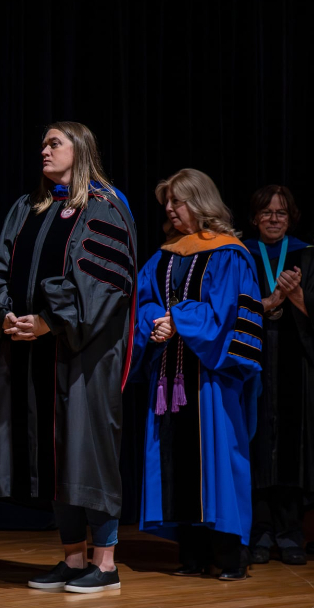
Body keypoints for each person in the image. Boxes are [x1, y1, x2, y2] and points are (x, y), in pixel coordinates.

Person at [0, 121, 137, 594]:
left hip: (84, 355)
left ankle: (105, 565)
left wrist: (49, 320)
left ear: (80, 149)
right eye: (42, 142)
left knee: (88, 452)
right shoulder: (28, 208)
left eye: (53, 142)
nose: (43, 149)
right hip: (30, 352)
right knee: (55, 456)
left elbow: (105, 282)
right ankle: (72, 559)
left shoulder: (103, 208)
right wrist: (2, 314)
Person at [133, 169, 261, 581]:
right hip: (170, 373)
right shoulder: (166, 254)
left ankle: (230, 556)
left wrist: (177, 319)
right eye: (167, 203)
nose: (169, 210)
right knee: (176, 460)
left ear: (201, 203)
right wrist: (155, 319)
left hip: (211, 375)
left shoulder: (230, 253)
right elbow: (144, 298)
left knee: (219, 458)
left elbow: (226, 315)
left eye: (177, 201)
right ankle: (190, 553)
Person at [244, 185, 314, 566]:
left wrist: (299, 296)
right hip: (252, 358)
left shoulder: (307, 255)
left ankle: (289, 532)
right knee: (255, 443)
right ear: (254, 217)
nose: (274, 219)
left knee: (291, 445)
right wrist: (268, 302)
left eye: (281, 213)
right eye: (267, 212)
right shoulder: (239, 255)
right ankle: (259, 530)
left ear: (292, 218)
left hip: (294, 360)